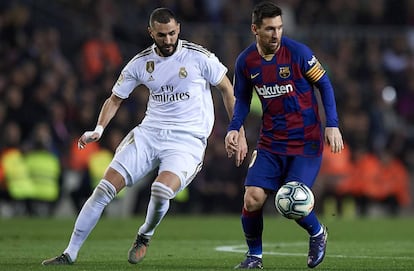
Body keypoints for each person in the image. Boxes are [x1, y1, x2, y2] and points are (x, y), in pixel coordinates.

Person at [42, 7, 247, 266]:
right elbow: (115, 99)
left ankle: (144, 235)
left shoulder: (199, 57)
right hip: (149, 134)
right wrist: (99, 129)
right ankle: (69, 253)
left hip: (187, 140)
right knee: (103, 189)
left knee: (160, 190)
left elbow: (227, 89)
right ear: (151, 32)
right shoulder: (140, 63)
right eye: (162, 35)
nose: (168, 40)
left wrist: (236, 129)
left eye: (172, 33)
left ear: (179, 29)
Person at [224, 2, 344, 269]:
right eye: (269, 29)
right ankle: (255, 257)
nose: (276, 34)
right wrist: (234, 127)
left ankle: (317, 232)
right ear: (255, 29)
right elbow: (242, 98)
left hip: (305, 142)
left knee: (290, 200)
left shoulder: (298, 53)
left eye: (279, 28)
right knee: (252, 197)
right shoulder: (246, 62)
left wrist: (332, 124)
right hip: (271, 142)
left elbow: (324, 84)